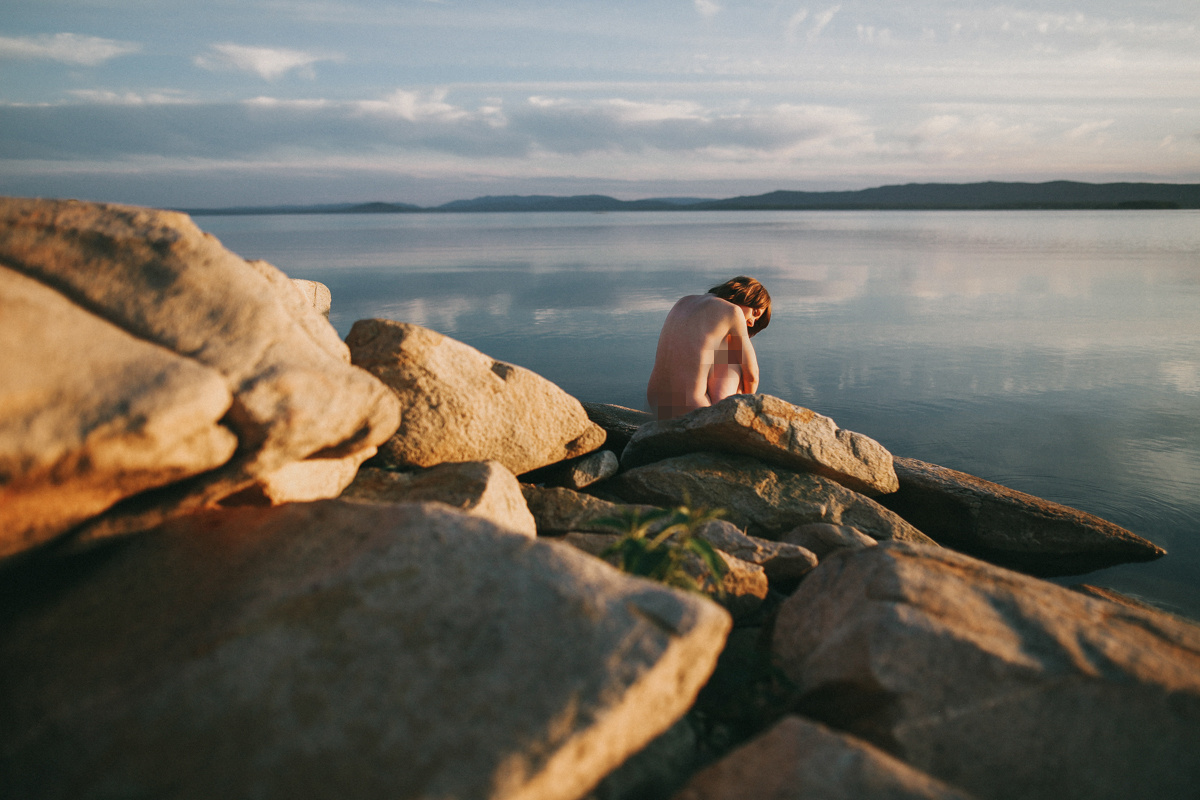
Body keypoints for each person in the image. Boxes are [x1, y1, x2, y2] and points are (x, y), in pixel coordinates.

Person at [646, 276, 772, 420]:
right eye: (755, 313)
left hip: (656, 403)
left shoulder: (684, 300)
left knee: (720, 348)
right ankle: (729, 415)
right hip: (690, 408)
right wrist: (748, 410)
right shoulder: (732, 311)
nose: (751, 322)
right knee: (733, 353)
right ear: (746, 295)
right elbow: (752, 375)